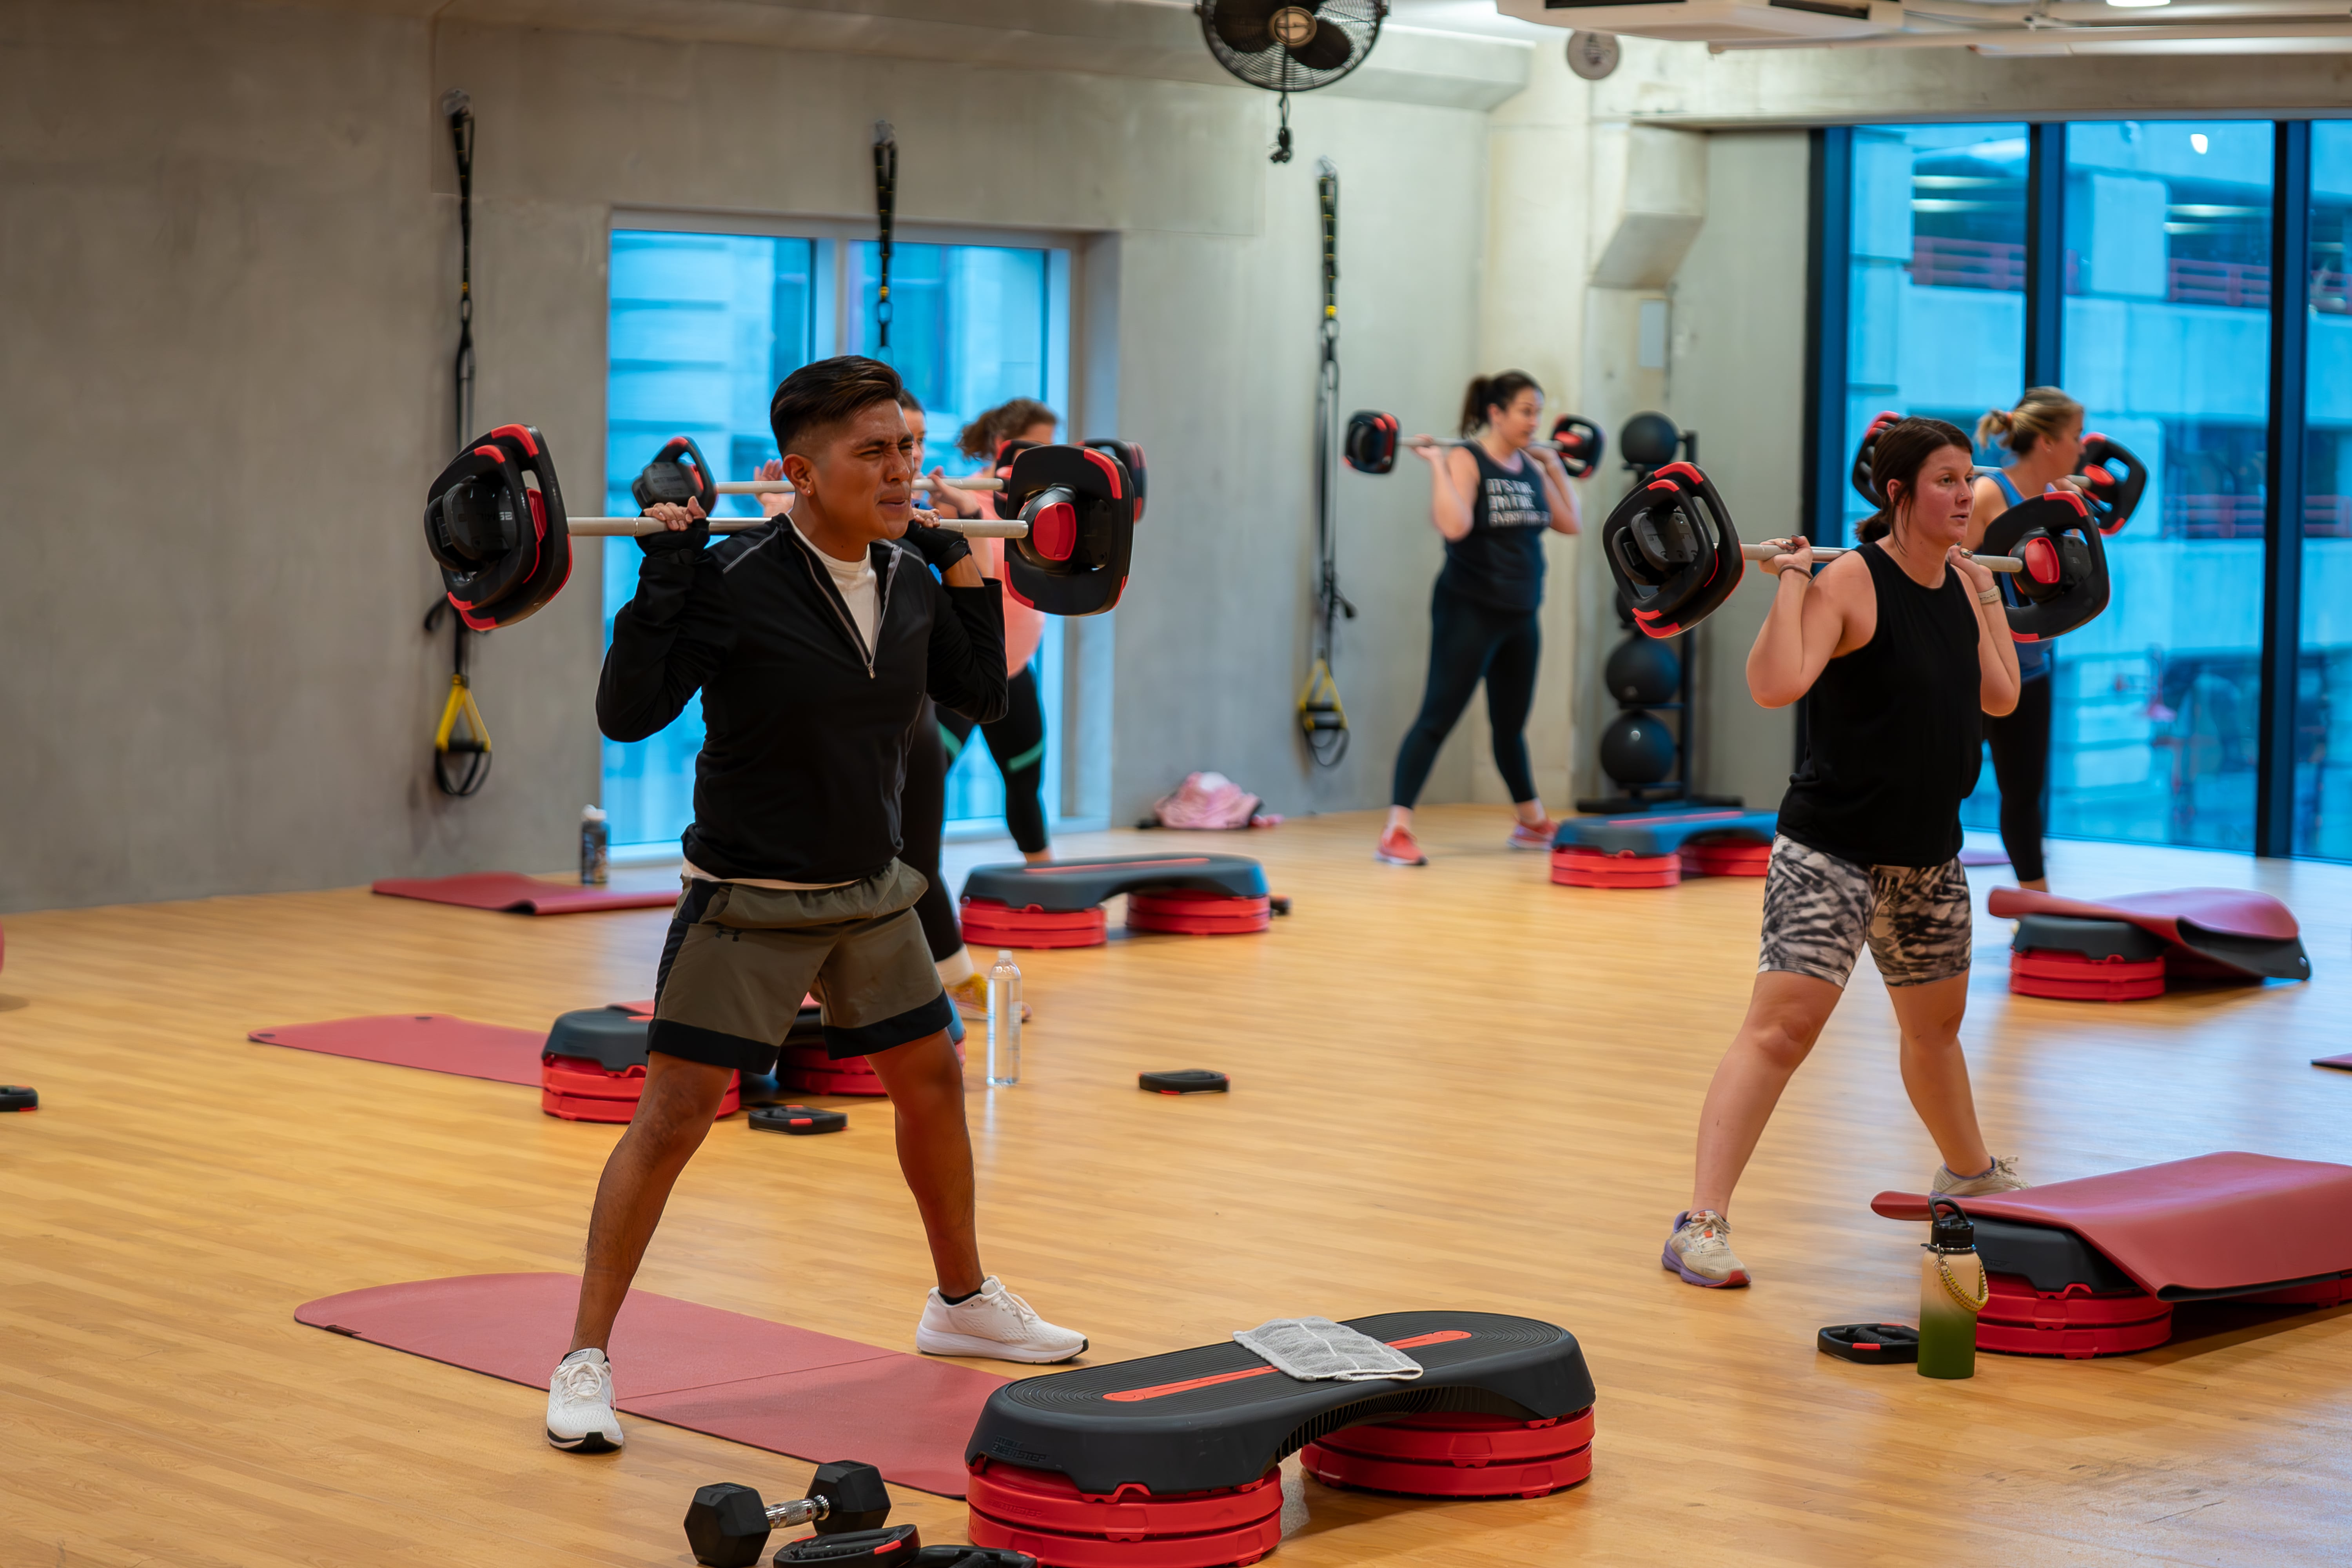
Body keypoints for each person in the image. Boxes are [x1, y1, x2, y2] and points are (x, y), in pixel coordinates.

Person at [546, 356, 1086, 1456]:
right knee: (673, 1119)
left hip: (871, 891)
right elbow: (627, 713)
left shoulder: (916, 577)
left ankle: (961, 1301)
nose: (900, 471)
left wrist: (970, 571)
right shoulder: (734, 578)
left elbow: (979, 695)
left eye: (908, 448)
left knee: (931, 1081)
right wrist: (664, 580)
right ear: (799, 471)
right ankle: (585, 1356)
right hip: (746, 895)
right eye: (873, 452)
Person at [1663, 417, 2030, 1290]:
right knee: (1781, 1030)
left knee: (1934, 1031)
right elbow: (1774, 683)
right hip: (1833, 850)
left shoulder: (1957, 583)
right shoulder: (1855, 579)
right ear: (1898, 495)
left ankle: (1968, 1172)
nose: (1963, 496)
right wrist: (1793, 583)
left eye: (1968, 479)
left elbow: (2004, 696)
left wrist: (1984, 594)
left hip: (1929, 854)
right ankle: (1700, 1222)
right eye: (1945, 481)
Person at [1377, 371, 1581, 867]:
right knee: (1437, 718)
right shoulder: (1467, 458)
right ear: (1497, 413)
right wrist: (1436, 467)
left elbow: (1571, 522)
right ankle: (1396, 830)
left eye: (1538, 412)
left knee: (1510, 726)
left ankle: (1532, 823)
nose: (1535, 421)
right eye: (1526, 411)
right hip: (1469, 610)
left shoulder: (1530, 465)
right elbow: (1454, 525)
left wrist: (1555, 467)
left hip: (1520, 613)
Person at [1968, 387, 2086, 893]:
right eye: (2076, 436)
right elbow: (1946, 573)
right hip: (1976, 671)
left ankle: (2038, 911)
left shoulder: (2057, 500)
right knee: (1946, 785)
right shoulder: (1990, 496)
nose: (2082, 447)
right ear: (2047, 442)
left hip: (2032, 668)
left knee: (2023, 794)